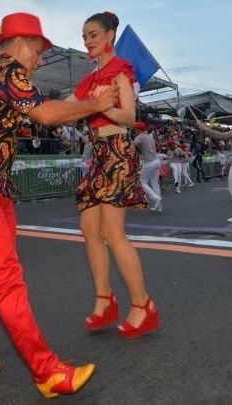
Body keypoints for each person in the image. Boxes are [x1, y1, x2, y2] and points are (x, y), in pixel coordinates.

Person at [0, 12, 119, 399]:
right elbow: (46, 114)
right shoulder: (7, 69)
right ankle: (46, 372)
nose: (39, 60)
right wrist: (93, 103)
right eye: (38, 51)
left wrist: (82, 103)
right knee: (5, 277)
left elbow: (43, 108)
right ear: (19, 44)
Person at [67, 12, 158, 340]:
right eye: (84, 36)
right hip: (97, 156)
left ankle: (142, 304)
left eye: (93, 34)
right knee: (89, 229)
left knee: (112, 232)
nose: (88, 41)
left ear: (110, 35)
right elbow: (65, 107)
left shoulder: (121, 70)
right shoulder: (89, 80)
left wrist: (97, 106)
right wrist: (24, 105)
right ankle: (105, 299)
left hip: (117, 151)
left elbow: (130, 116)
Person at [133, 121, 162, 212]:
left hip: (149, 162)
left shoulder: (140, 137)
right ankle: (159, 206)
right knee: (155, 184)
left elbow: (132, 146)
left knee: (142, 182)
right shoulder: (150, 136)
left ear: (137, 129)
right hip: (156, 161)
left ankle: (155, 198)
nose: (134, 130)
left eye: (135, 129)